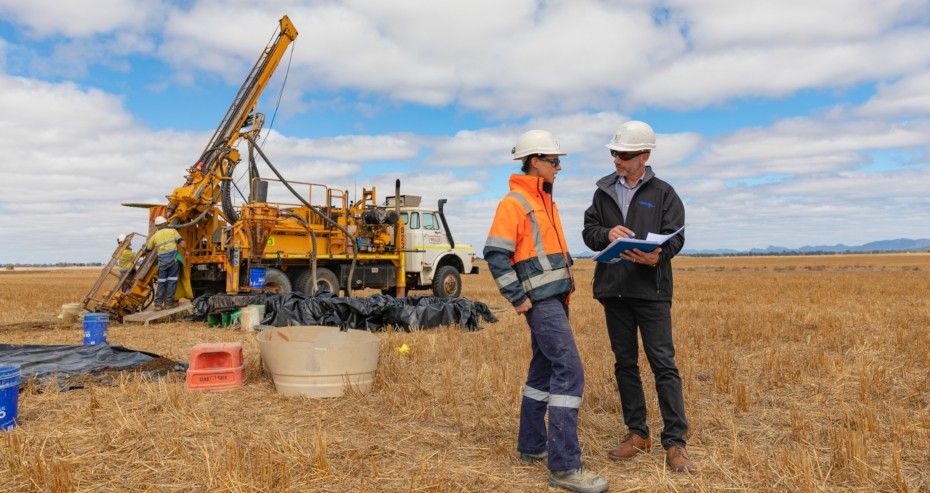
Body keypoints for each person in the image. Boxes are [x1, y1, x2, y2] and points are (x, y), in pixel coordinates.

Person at [485, 130, 608, 493]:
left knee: (543, 369)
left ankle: (532, 445)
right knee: (569, 370)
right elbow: (495, 253)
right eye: (555, 161)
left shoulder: (545, 201)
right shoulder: (515, 202)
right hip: (540, 302)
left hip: (556, 298)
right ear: (535, 161)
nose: (559, 167)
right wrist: (517, 298)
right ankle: (565, 467)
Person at [581, 121, 692, 473]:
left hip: (651, 291)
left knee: (664, 365)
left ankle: (675, 442)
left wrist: (658, 256)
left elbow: (676, 236)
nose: (617, 160)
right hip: (613, 290)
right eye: (614, 153)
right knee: (624, 364)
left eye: (624, 154)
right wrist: (605, 232)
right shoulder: (602, 192)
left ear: (644, 155)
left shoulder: (664, 193)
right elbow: (588, 231)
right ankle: (637, 433)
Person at [146, 216, 185, 311]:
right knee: (172, 282)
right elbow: (182, 242)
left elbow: (148, 249)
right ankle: (169, 304)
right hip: (173, 262)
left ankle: (158, 305)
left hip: (162, 264)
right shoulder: (172, 231)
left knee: (161, 283)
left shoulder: (155, 236)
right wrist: (186, 251)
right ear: (166, 223)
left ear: (157, 226)